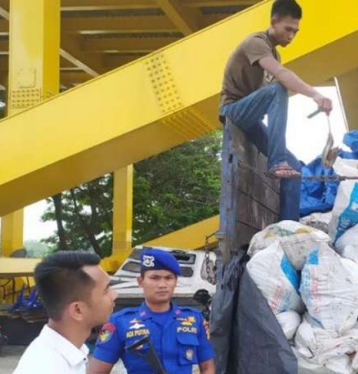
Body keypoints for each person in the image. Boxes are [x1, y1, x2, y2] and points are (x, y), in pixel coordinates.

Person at [219, 0, 333, 221]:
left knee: (293, 170)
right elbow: (280, 75)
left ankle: (288, 228)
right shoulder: (256, 42)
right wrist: (315, 94)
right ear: (273, 22)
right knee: (278, 88)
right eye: (288, 29)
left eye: (295, 32)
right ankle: (276, 161)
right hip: (233, 111)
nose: (291, 36)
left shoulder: (275, 53)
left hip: (250, 119)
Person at [88, 249, 215, 374]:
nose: (162, 285)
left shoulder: (194, 319)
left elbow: (208, 367)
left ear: (176, 281)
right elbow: (97, 371)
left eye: (168, 278)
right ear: (141, 281)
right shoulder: (120, 322)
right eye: (155, 278)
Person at [13, 252, 116, 374]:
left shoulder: (69, 353)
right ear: (77, 310)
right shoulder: (46, 367)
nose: (114, 295)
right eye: (106, 291)